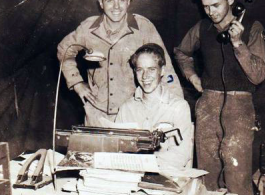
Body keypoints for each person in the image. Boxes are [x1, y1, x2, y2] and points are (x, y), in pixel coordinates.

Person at [174, 0, 265, 194]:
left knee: (237, 177)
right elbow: (181, 52)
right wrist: (192, 77)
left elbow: (258, 76)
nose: (209, 12)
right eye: (205, 6)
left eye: (215, 5)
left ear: (231, 1)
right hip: (208, 105)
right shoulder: (201, 27)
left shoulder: (253, 27)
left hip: (239, 107)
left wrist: (238, 43)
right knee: (207, 176)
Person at [57, 0, 183, 127]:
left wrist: (178, 108)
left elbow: (165, 68)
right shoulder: (87, 28)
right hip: (96, 115)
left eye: (121, 0)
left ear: (128, 2)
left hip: (132, 114)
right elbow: (64, 50)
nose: (116, 6)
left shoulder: (143, 27)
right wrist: (76, 82)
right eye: (110, 0)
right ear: (101, 3)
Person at [116, 43, 193, 170]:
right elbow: (116, 149)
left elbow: (181, 155)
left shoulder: (178, 107)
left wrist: (144, 162)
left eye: (151, 69)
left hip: (166, 173)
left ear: (162, 71)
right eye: (140, 70)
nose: (145, 76)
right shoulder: (126, 108)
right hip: (131, 174)